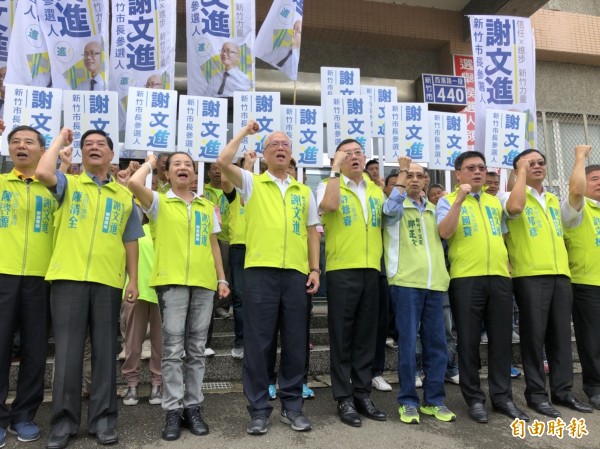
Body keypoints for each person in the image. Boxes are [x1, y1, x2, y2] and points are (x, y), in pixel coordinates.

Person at [35, 128, 143, 449]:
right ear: (81, 153)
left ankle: (104, 420)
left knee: (106, 353)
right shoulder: (68, 184)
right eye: (87, 145)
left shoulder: (124, 195)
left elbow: (131, 241)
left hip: (108, 282)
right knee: (68, 355)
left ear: (112, 155)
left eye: (101, 145)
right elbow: (42, 171)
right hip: (68, 280)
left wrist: (133, 280)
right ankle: (63, 424)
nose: (94, 148)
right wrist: (59, 141)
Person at [216, 120, 320, 435]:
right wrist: (244, 133)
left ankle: (291, 407)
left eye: (285, 145)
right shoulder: (252, 182)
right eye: (273, 144)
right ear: (264, 154)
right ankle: (259, 410)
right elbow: (222, 162)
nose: (280, 148)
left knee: (294, 343)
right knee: (259, 344)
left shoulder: (304, 191)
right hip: (260, 272)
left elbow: (311, 232)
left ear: (291, 155)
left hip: (295, 276)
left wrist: (314, 268)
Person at [127, 152, 229, 441]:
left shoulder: (207, 206)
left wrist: (221, 278)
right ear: (167, 174)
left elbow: (213, 245)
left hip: (204, 284)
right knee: (172, 351)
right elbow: (134, 183)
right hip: (170, 285)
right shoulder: (158, 202)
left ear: (195, 174)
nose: (183, 168)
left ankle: (193, 407)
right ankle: (173, 410)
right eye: (176, 165)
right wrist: (149, 162)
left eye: (188, 165)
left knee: (196, 349)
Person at [436, 151, 528, 424]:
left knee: (501, 341)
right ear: (458, 174)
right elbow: (445, 232)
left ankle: (503, 399)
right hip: (466, 279)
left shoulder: (494, 202)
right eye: (471, 168)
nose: (478, 172)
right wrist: (460, 200)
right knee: (469, 341)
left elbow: (504, 230)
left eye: (481, 168)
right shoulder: (447, 201)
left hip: (499, 278)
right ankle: (474, 399)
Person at [502, 149, 592, 417]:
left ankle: (563, 391)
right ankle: (536, 394)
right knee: (534, 338)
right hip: (530, 276)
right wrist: (520, 173)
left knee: (561, 337)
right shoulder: (509, 196)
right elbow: (515, 208)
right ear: (518, 169)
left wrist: (578, 159)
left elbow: (577, 194)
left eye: (541, 162)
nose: (537, 166)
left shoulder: (553, 200)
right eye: (530, 163)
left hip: (560, 275)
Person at [318, 139, 387, 427]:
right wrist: (334, 171)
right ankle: (343, 398)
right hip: (342, 270)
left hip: (372, 270)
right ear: (338, 159)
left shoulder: (375, 190)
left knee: (365, 337)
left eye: (358, 152)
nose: (354, 157)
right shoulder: (329, 184)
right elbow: (329, 206)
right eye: (347, 154)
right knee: (342, 337)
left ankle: (362, 394)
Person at [384, 156, 456, 424]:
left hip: (434, 284)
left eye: (419, 175)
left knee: (437, 344)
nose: (414, 179)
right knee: (408, 344)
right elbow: (390, 209)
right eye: (408, 175)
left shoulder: (433, 210)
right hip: (405, 283)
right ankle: (407, 401)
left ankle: (435, 400)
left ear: (427, 180)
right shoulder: (396, 205)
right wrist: (401, 172)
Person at [0, 125, 58, 445]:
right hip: (2, 275)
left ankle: (24, 416)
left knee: (35, 350)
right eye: (16, 142)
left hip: (41, 277)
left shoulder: (53, 188)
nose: (22, 146)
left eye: (29, 142)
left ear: (42, 150)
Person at [562, 146, 600, 410]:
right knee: (592, 340)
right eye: (595, 179)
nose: (599, 184)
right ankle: (595, 387)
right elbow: (575, 191)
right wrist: (579, 158)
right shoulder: (576, 209)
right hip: (587, 284)